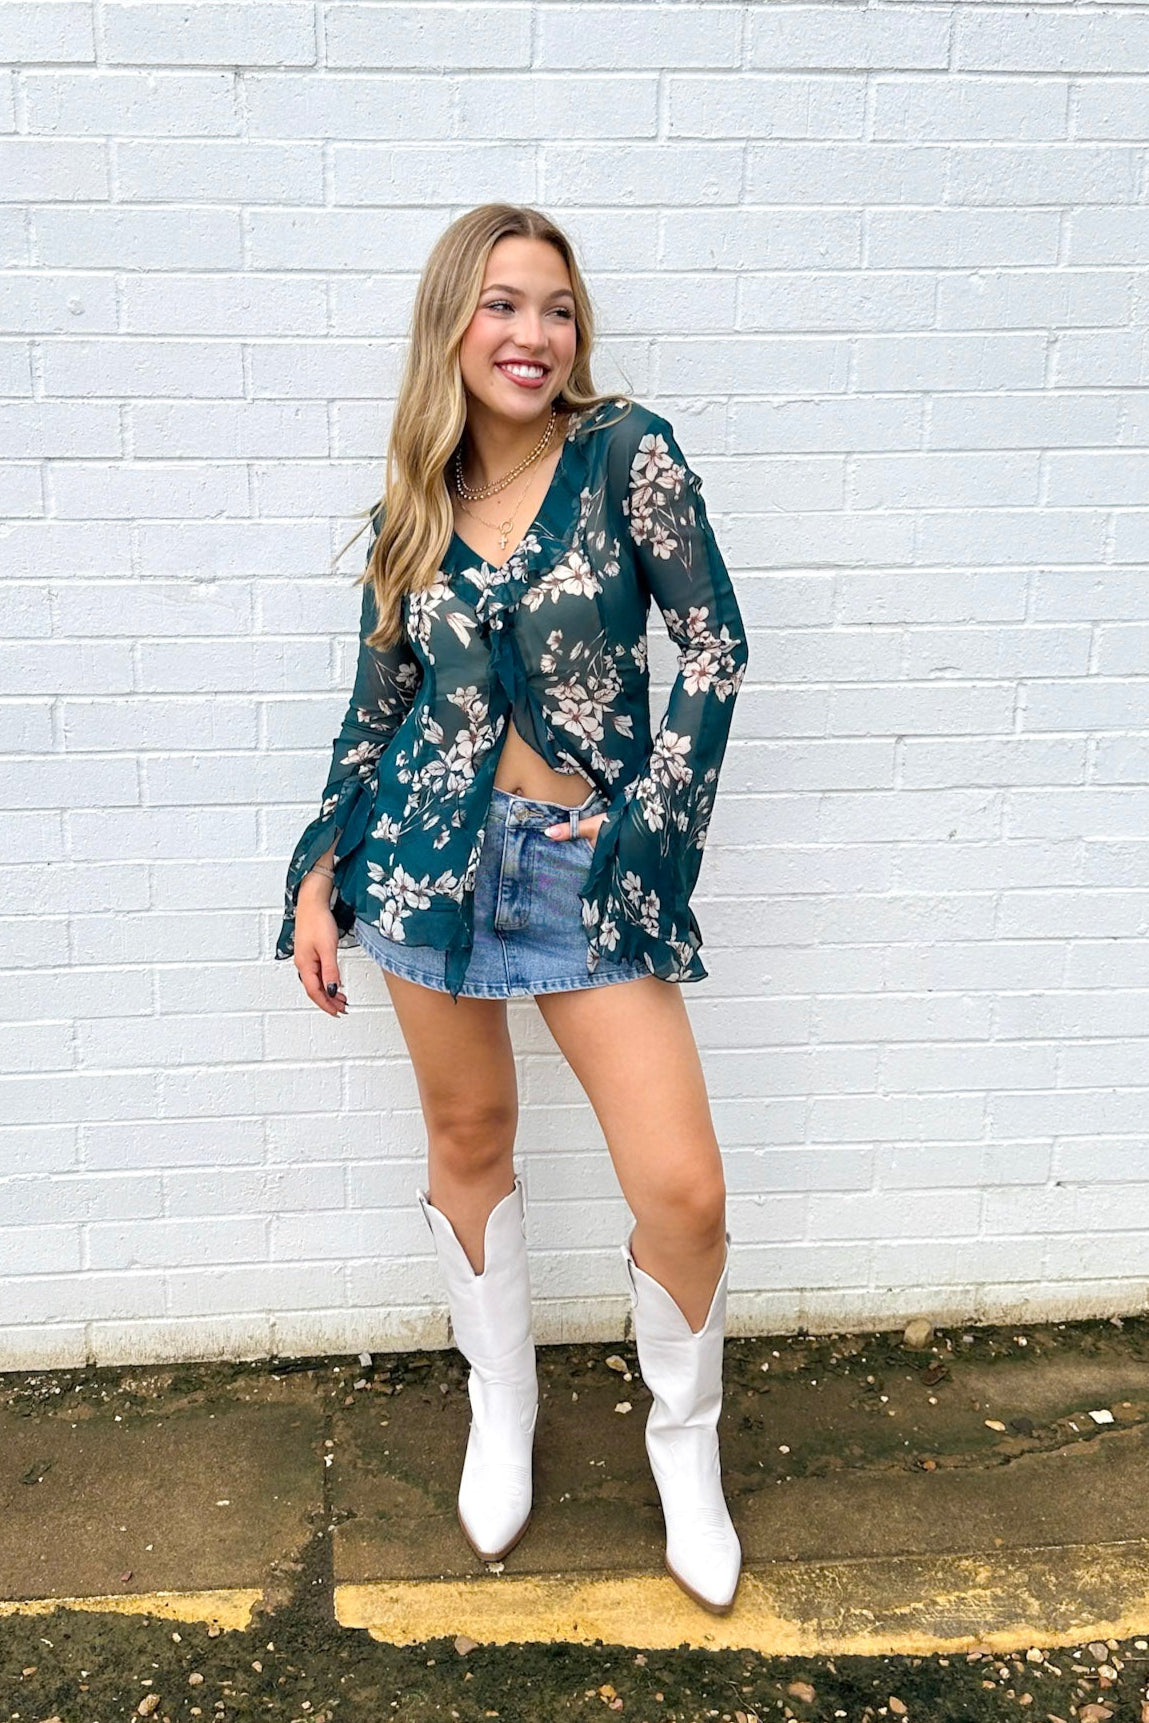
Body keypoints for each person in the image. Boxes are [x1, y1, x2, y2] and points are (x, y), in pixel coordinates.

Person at [276, 203, 750, 1614]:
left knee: (684, 1190)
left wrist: (649, 836)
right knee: (468, 1134)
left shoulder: (625, 456)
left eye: (552, 307)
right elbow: (378, 716)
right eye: (499, 304)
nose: (530, 333)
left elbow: (713, 646)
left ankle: (684, 1447)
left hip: (582, 863)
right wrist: (316, 865)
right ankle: (505, 1408)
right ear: (451, 326)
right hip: (423, 868)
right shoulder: (406, 511)